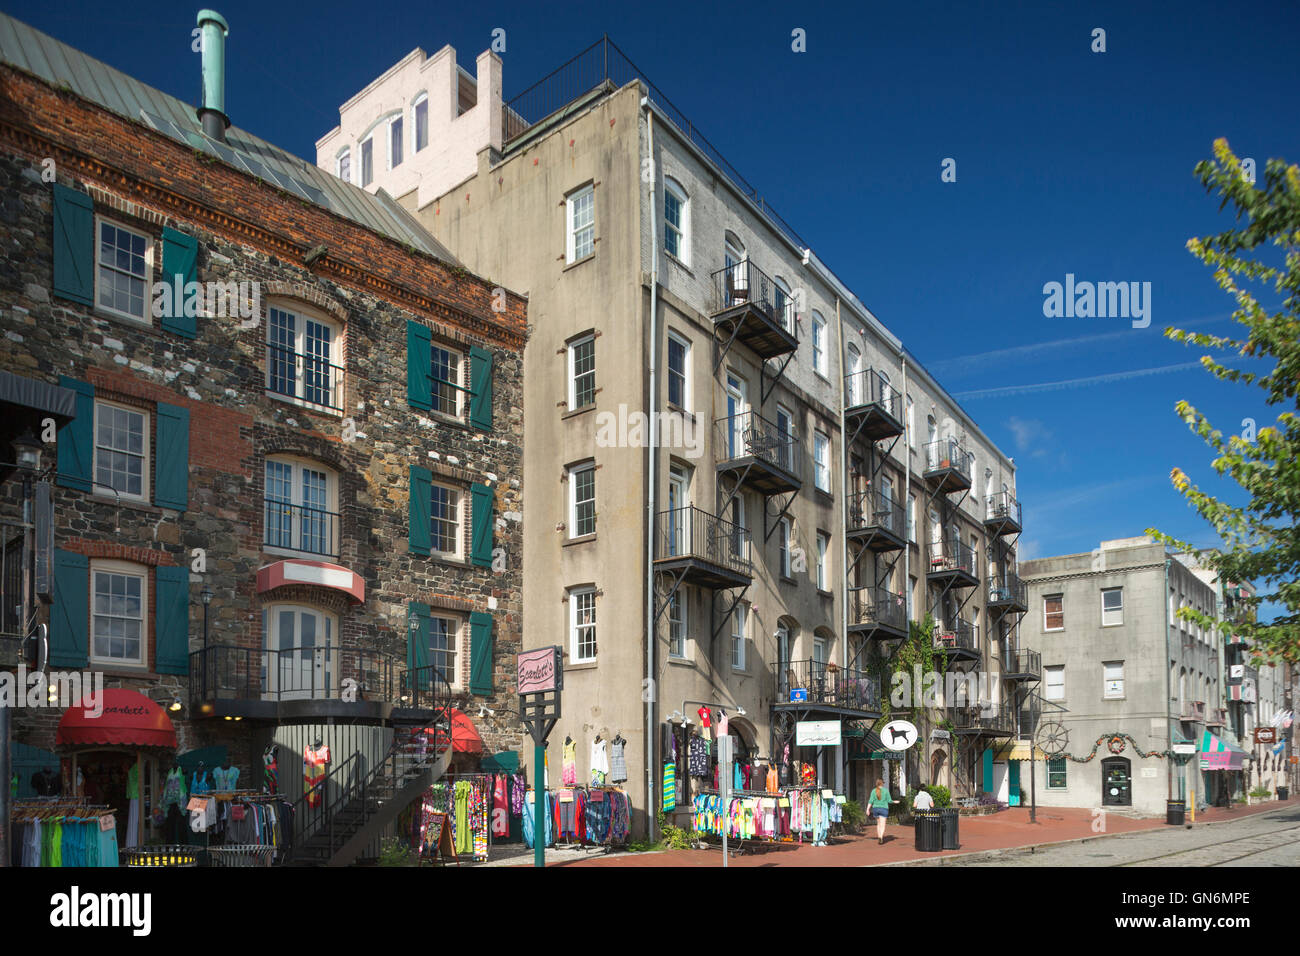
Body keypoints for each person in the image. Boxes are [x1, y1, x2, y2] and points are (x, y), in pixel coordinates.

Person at [868, 778, 892, 844]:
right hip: (884, 809)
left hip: (875, 809)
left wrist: (868, 809)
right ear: (882, 783)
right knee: (883, 825)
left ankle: (879, 836)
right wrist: (894, 801)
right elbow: (889, 800)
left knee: (878, 824)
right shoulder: (886, 791)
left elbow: (870, 801)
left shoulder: (873, 791)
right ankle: (881, 837)